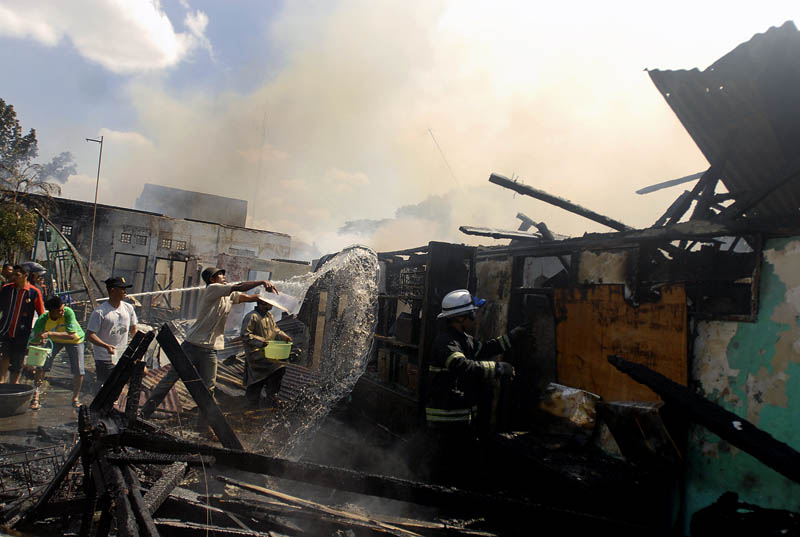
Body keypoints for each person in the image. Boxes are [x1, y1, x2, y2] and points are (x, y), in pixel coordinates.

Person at [140, 267, 278, 424]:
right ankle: (144, 414)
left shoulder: (228, 295)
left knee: (208, 388)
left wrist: (267, 297)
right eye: (220, 275)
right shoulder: (213, 289)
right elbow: (239, 287)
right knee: (169, 380)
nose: (224, 277)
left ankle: (203, 425)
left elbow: (247, 297)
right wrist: (262, 281)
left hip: (210, 350)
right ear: (212, 279)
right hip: (192, 346)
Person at [423, 289, 527, 484]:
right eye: (473, 313)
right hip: (446, 418)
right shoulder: (446, 342)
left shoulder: (464, 339)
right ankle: (436, 504)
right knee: (446, 466)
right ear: (460, 318)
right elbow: (462, 366)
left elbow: (486, 348)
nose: (476, 317)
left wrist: (512, 337)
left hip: (461, 416)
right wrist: (498, 368)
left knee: (459, 465)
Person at [29, 295, 86, 409]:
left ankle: (75, 398)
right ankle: (35, 397)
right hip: (54, 342)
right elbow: (34, 339)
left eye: (62, 309)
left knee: (79, 370)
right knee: (41, 366)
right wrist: (37, 344)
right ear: (52, 312)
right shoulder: (43, 319)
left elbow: (71, 335)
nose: (62, 312)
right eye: (59, 311)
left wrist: (49, 334)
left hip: (75, 340)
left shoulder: (68, 312)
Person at [86, 277, 138, 389]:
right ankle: (98, 403)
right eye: (122, 289)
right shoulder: (100, 312)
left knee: (136, 374)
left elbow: (133, 330)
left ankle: (114, 401)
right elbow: (90, 334)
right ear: (113, 290)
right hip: (104, 356)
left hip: (122, 353)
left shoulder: (128, 308)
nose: (125, 292)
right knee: (104, 384)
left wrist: (137, 346)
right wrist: (106, 346)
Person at [241, 298, 292, 409]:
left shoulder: (269, 316)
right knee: (256, 382)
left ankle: (271, 398)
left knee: (279, 369)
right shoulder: (252, 316)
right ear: (261, 303)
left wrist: (284, 336)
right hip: (256, 356)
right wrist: (260, 342)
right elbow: (245, 335)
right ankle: (250, 406)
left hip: (268, 354)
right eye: (269, 303)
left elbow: (275, 330)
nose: (271, 305)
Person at [0, 264, 45, 383]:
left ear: (26, 275)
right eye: (13, 274)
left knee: (18, 361)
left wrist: (42, 333)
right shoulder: (7, 289)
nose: (14, 276)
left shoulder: (34, 292)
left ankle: (14, 386)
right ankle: (1, 384)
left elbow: (42, 314)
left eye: (17, 275)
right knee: (4, 356)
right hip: (5, 329)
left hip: (22, 333)